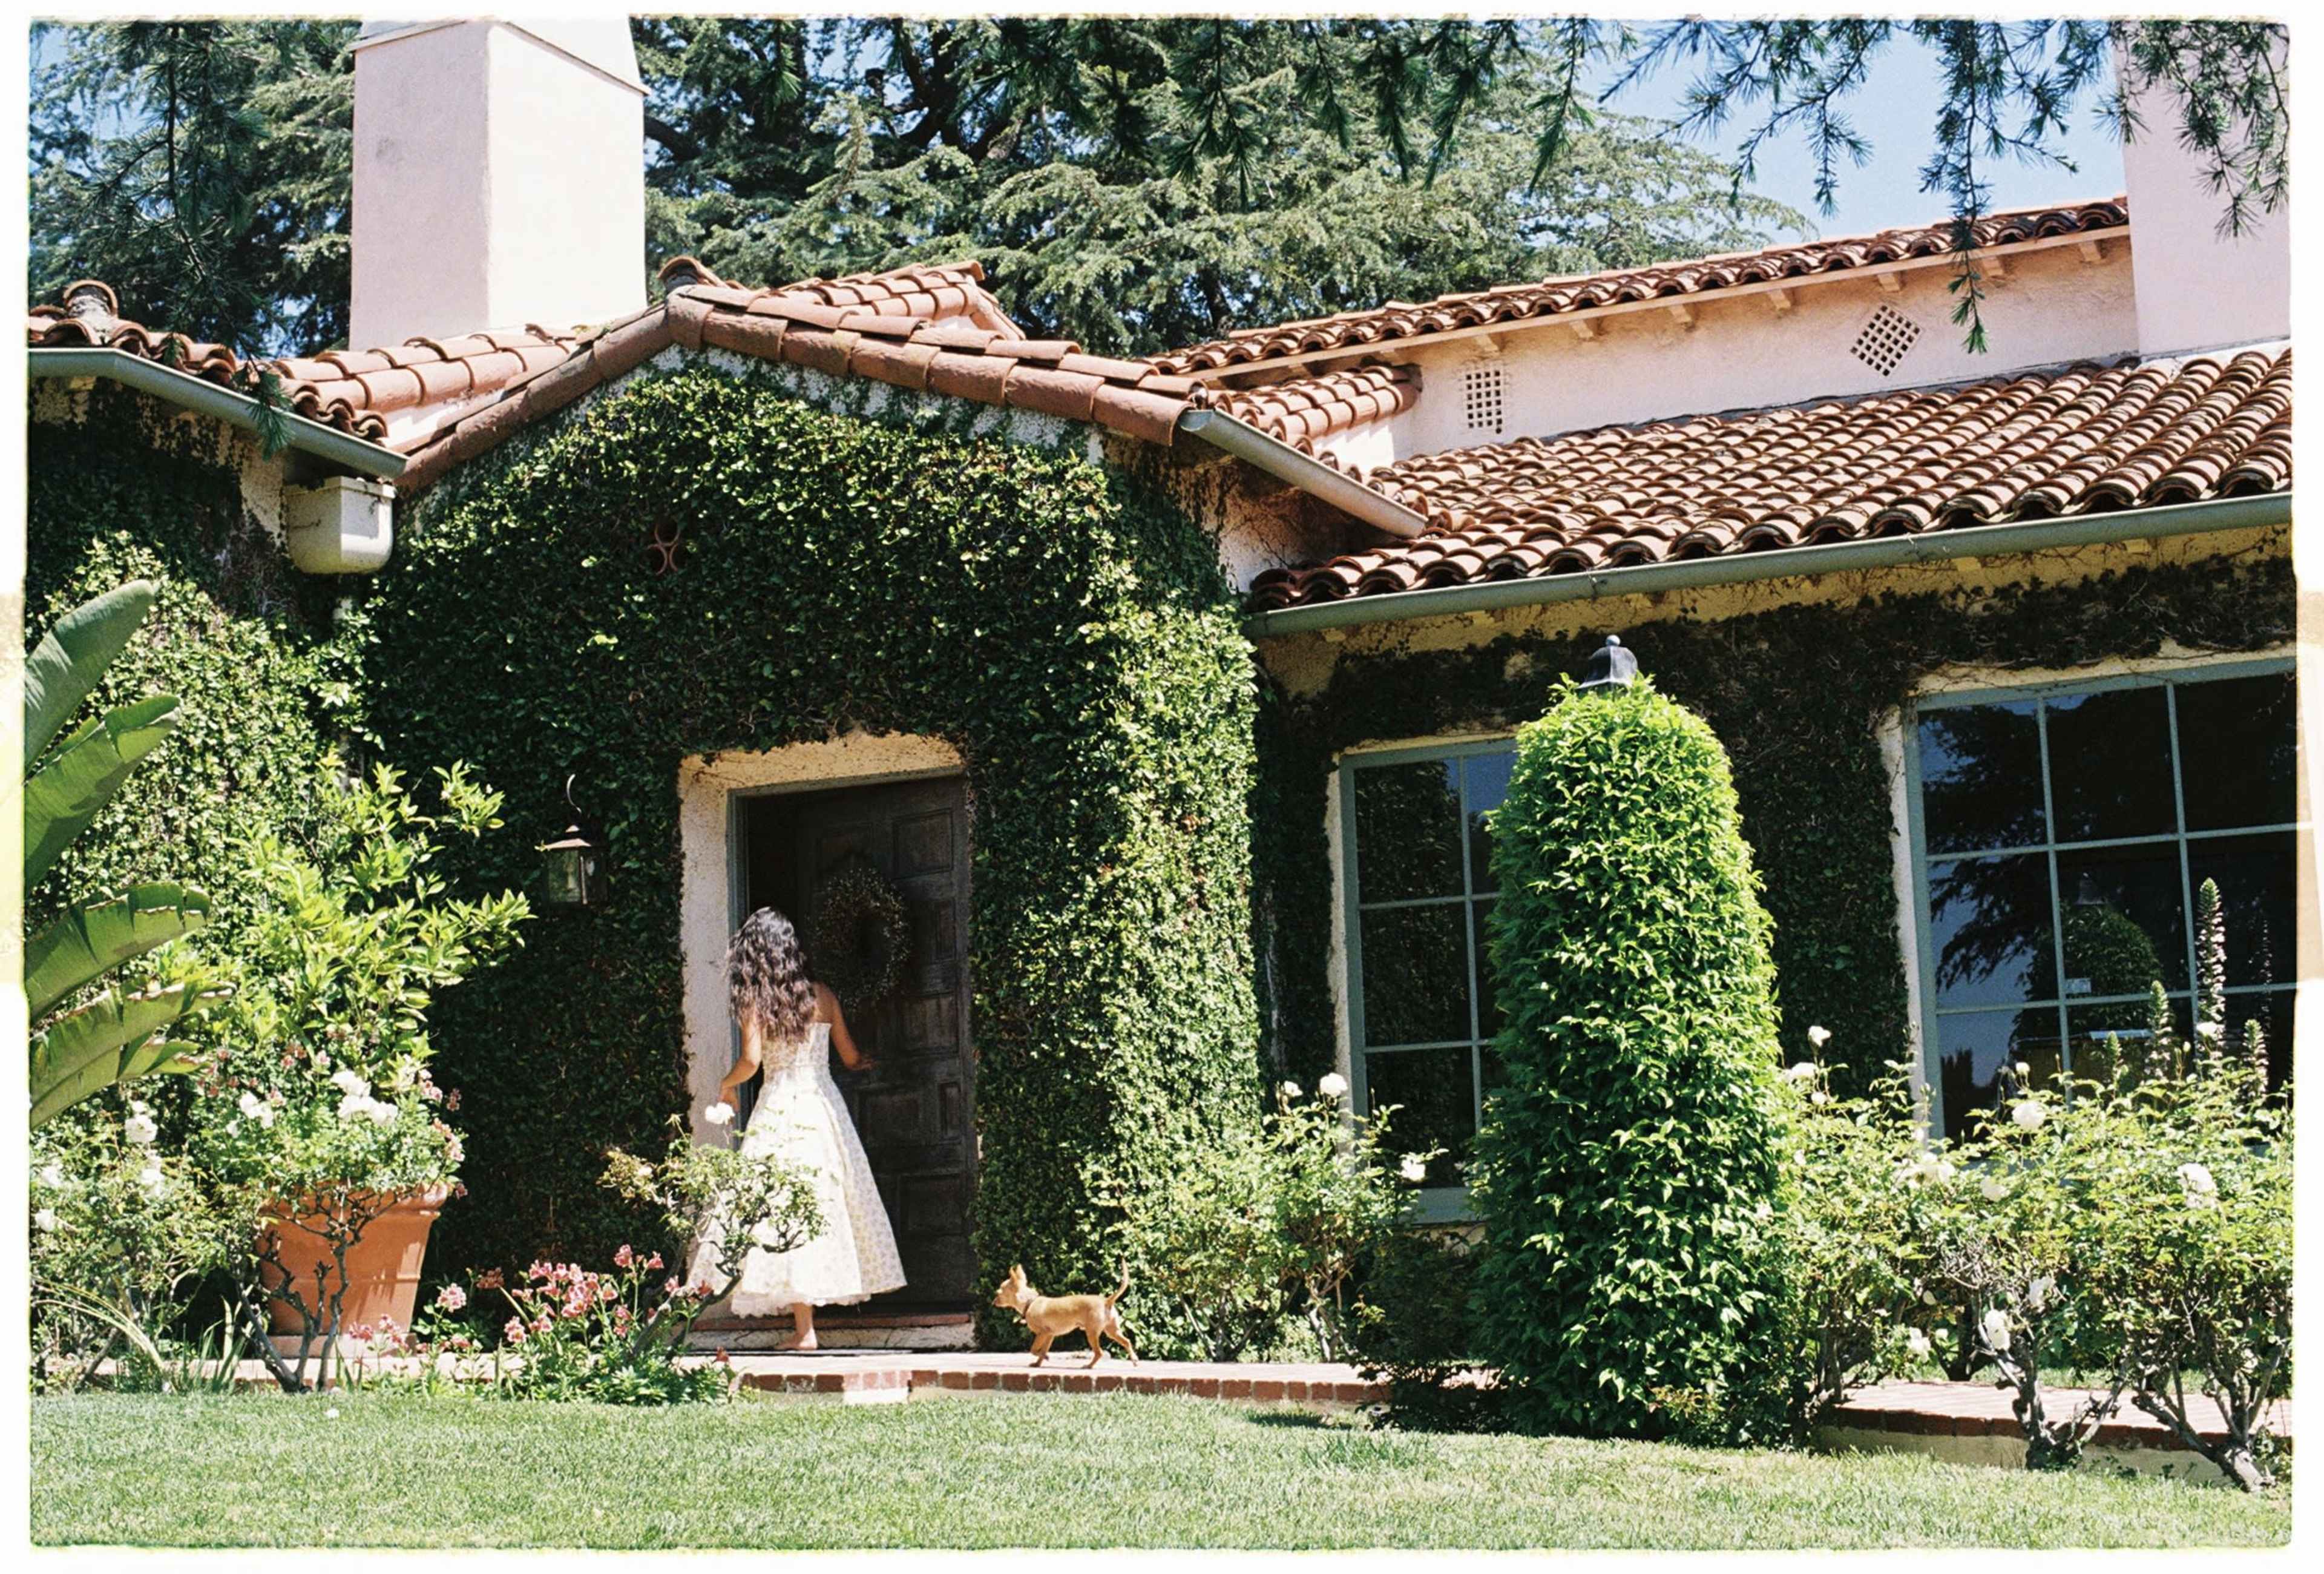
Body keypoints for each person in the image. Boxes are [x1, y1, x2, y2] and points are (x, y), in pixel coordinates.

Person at [694, 906, 904, 1349]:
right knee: (829, 1203)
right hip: (824, 1107)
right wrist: (877, 1061)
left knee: (778, 1206)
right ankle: (806, 1327)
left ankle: (804, 1331)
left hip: (782, 1109)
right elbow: (848, 1057)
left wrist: (725, 1086)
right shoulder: (823, 995)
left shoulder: (757, 1001)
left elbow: (751, 1063)